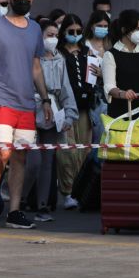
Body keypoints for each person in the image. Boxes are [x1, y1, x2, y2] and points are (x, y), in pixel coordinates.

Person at [0, 0, 53, 229]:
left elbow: (36, 68)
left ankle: (14, 211)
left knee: (20, 157)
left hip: (26, 104)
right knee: (3, 151)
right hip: (0, 101)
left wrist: (45, 99)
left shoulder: (33, 30)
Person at [21, 20, 78, 222]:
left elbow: (66, 88)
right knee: (33, 162)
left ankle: (42, 206)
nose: (52, 40)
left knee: (47, 161)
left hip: (52, 113)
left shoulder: (60, 58)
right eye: (49, 35)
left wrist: (69, 114)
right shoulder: (30, 58)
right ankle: (19, 197)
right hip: (31, 109)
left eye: (55, 35)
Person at [56, 13, 95, 210]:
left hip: (86, 106)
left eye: (79, 31)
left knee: (84, 149)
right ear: (64, 32)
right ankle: (67, 191)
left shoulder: (87, 52)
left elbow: (95, 79)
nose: (75, 35)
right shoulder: (59, 53)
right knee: (67, 151)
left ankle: (80, 190)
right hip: (66, 107)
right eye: (71, 31)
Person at [83, 10, 112, 143]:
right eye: (100, 26)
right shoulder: (84, 45)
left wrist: (103, 74)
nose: (103, 29)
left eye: (106, 26)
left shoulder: (110, 47)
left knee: (104, 136)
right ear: (92, 26)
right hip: (89, 97)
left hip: (107, 98)